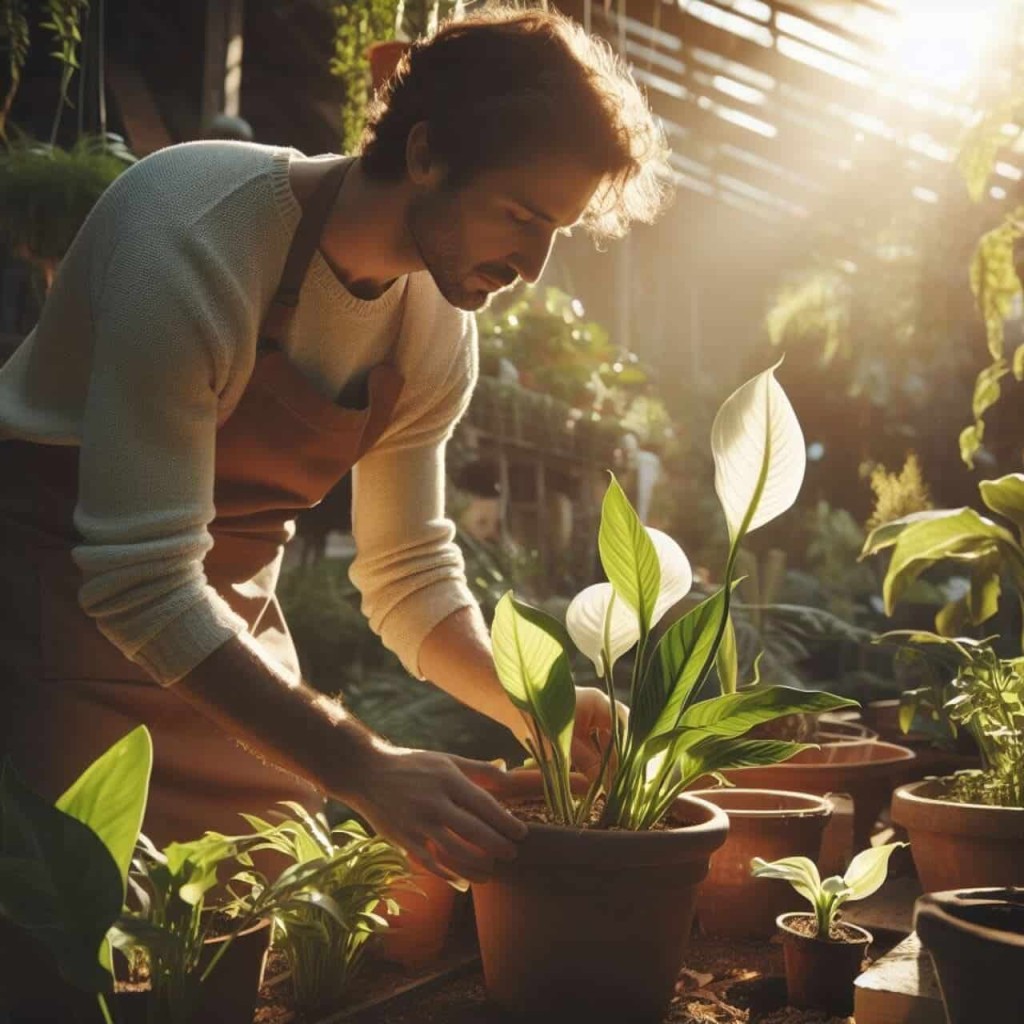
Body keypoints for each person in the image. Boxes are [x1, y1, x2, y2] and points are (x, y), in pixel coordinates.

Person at [0, 5, 668, 886]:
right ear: (425, 153)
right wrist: (363, 764)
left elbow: (407, 572)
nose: (534, 266)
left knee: (273, 907)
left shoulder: (434, 324)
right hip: (49, 635)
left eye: (556, 232)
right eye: (520, 215)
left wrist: (532, 705)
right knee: (72, 925)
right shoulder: (196, 230)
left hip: (222, 652)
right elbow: (138, 582)